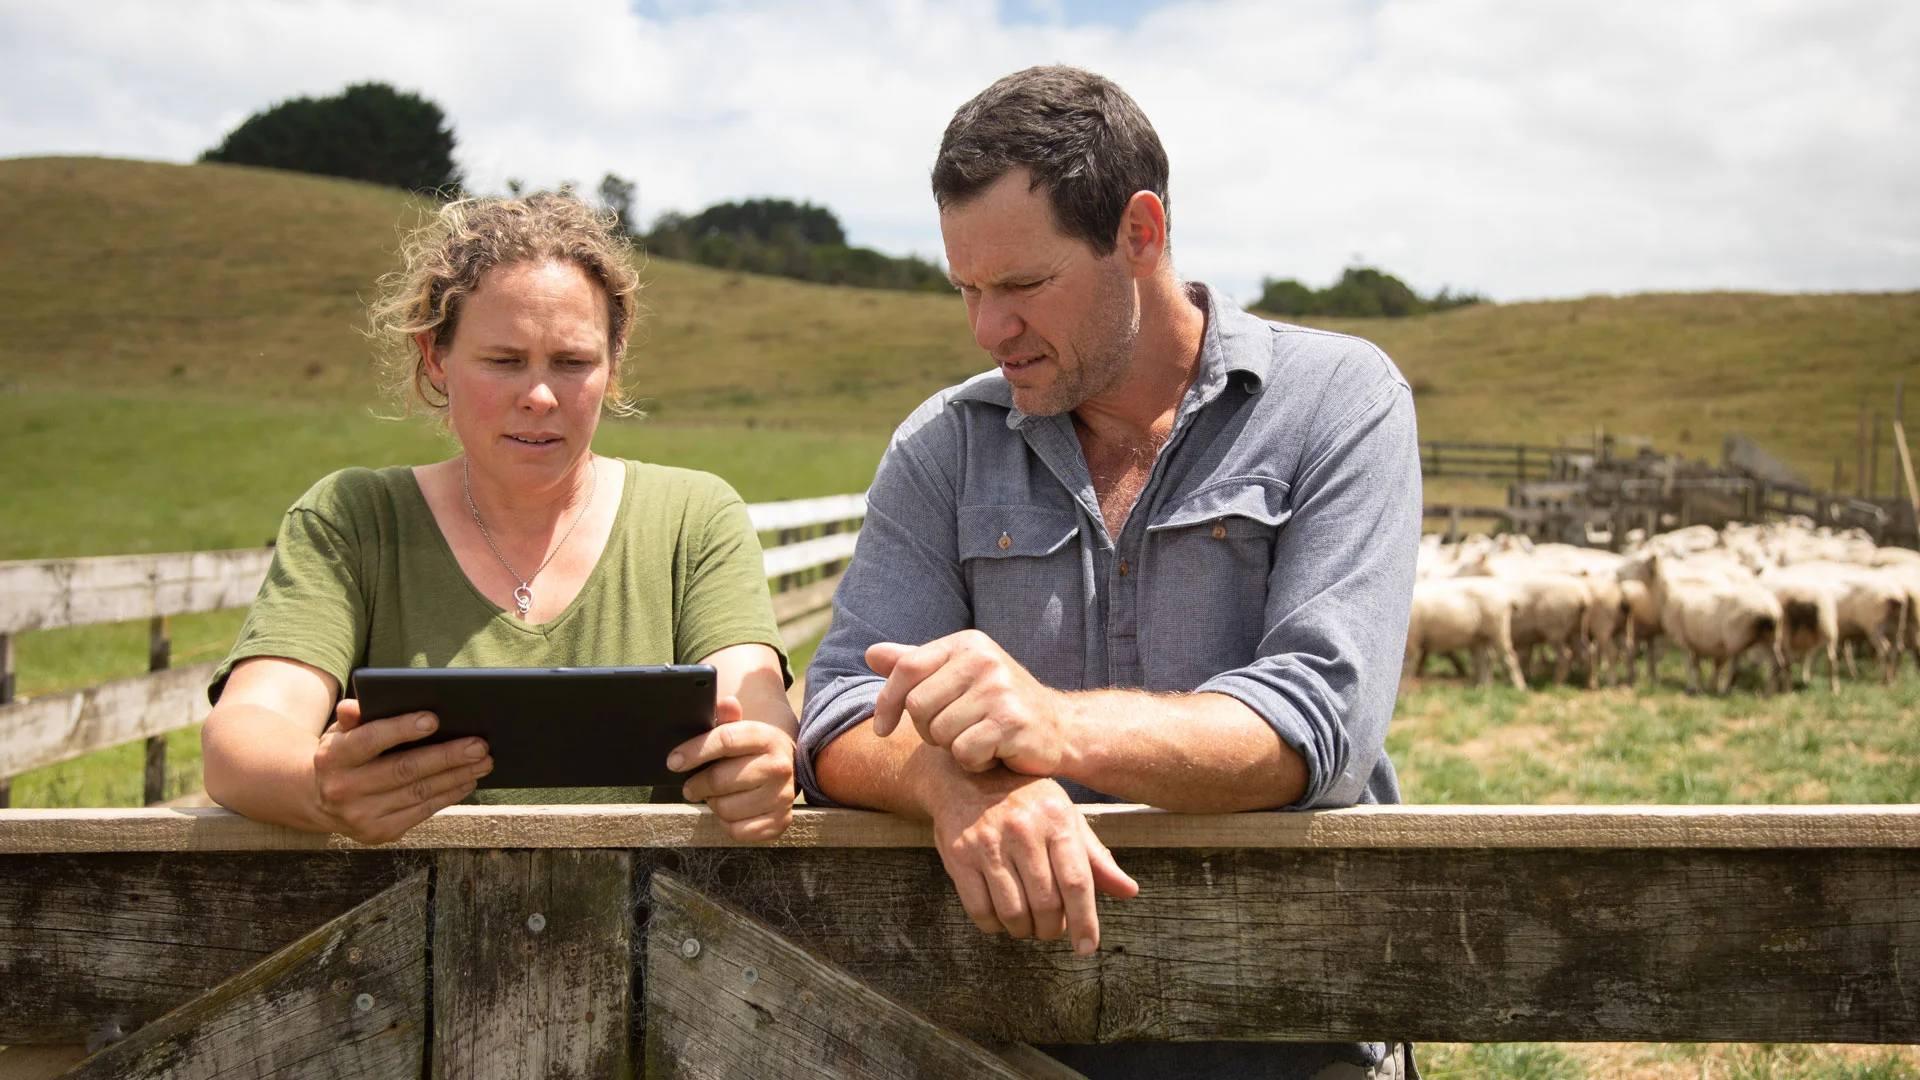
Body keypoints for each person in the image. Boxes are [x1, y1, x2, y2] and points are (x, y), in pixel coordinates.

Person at [797, 67, 1421, 1078]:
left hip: (1295, 1017)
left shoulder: (1340, 403)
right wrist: (945, 781)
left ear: (1140, 233)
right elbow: (834, 709)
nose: (986, 331)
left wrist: (1056, 727)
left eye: (1022, 286)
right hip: (1013, 1027)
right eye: (967, 290)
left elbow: (1323, 725)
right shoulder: (942, 447)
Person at [202, 193, 797, 846]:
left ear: (614, 361)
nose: (540, 397)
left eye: (572, 363)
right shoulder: (353, 521)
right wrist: (317, 788)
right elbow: (248, 728)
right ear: (435, 357)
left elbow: (756, 703)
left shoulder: (694, 519)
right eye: (504, 361)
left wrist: (763, 759)